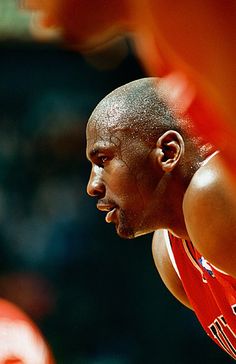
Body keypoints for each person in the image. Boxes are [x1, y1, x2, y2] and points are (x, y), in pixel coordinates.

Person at [86, 77, 236, 359]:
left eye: (103, 160)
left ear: (168, 152)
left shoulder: (216, 189)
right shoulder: (170, 253)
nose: (92, 185)